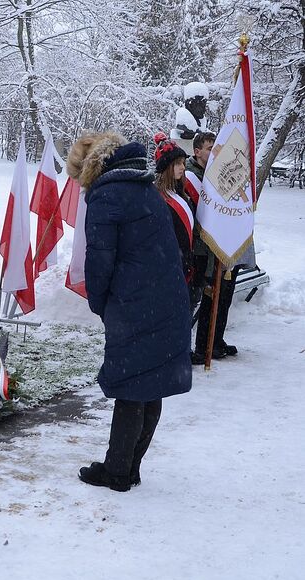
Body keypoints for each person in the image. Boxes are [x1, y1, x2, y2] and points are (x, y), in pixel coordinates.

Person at [70, 131, 192, 492]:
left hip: (135, 302)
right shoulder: (145, 186)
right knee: (150, 383)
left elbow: (99, 260)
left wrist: (100, 302)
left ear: (89, 168)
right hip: (167, 298)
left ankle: (117, 471)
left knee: (130, 385)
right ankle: (131, 466)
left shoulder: (106, 196)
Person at [185, 131, 239, 364]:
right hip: (201, 249)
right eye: (209, 148)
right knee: (203, 298)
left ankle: (216, 341)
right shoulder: (191, 176)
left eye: (216, 147)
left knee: (224, 295)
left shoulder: (218, 173)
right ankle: (201, 346)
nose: (214, 151)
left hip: (222, 246)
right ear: (197, 151)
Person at [152, 132, 195, 286]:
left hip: (183, 263)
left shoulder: (181, 192)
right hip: (168, 268)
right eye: (178, 163)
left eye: (183, 162)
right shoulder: (157, 197)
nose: (183, 167)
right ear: (166, 166)